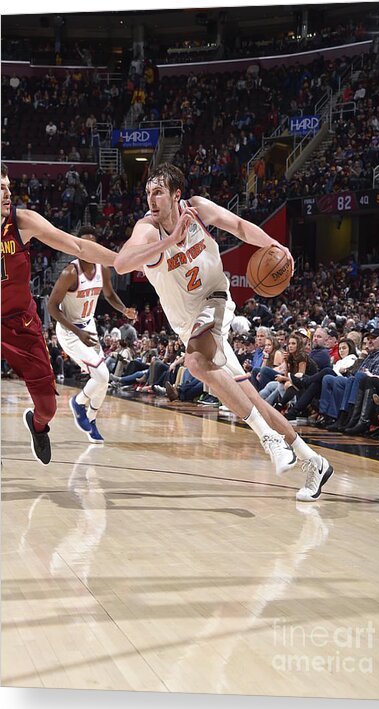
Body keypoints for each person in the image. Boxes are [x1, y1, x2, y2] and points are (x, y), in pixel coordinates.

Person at [114, 162, 333, 501]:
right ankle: (314, 461)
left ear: (176, 195)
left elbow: (240, 226)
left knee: (196, 363)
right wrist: (171, 240)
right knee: (252, 398)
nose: (151, 199)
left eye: (158, 192)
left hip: (215, 300)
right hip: (188, 324)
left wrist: (275, 244)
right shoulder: (148, 230)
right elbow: (121, 263)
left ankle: (267, 438)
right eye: (148, 192)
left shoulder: (198, 209)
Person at [1, 164, 116, 465]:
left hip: (19, 322)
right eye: (0, 188)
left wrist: (122, 260)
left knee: (48, 407)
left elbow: (77, 245)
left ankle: (38, 427)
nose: (7, 193)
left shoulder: (21, 221)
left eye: (8, 186)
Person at [48, 225, 137, 443]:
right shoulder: (70, 273)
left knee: (102, 380)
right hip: (70, 331)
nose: (89, 249)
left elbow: (109, 293)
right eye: (84, 245)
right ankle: (78, 402)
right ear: (78, 248)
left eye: (93, 244)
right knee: (102, 375)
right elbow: (51, 307)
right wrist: (77, 332)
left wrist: (124, 309)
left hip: (89, 327)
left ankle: (92, 418)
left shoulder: (102, 268)